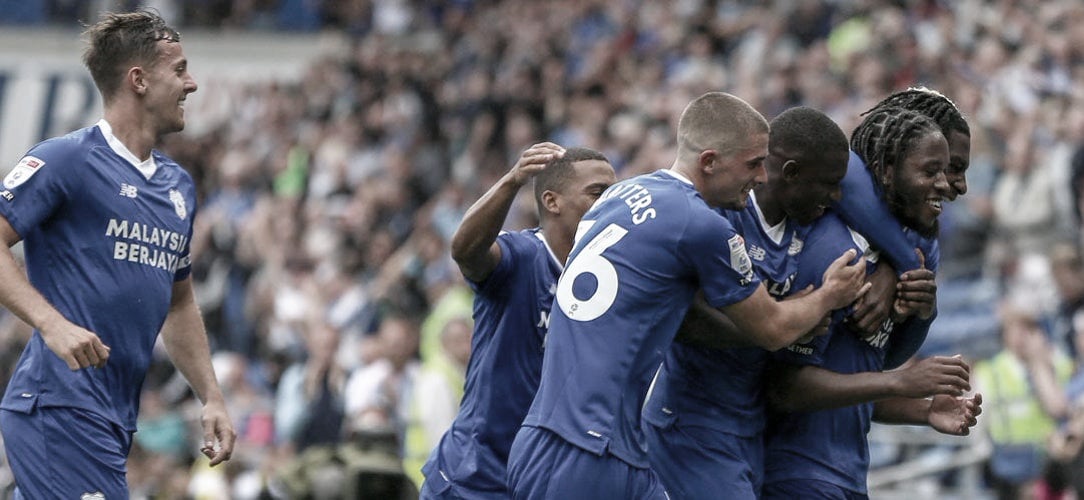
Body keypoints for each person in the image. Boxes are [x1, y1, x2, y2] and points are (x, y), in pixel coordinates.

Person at [506, 92, 869, 498]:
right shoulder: (700, 224)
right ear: (709, 161)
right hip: (588, 449)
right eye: (752, 164)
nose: (761, 177)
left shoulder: (619, 194)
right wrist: (829, 294)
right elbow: (772, 328)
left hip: (581, 440)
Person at [0, 10, 234, 498]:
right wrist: (51, 323)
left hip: (114, 417)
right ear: (139, 80)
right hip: (58, 405)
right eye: (180, 70)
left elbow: (179, 301)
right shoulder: (66, 159)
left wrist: (210, 396)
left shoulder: (178, 188)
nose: (191, 84)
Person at [762, 107, 982, 499]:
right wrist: (900, 382)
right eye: (933, 170)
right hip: (795, 473)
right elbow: (784, 386)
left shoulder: (906, 257)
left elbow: (850, 380)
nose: (949, 185)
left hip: (844, 476)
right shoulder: (836, 253)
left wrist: (923, 410)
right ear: (885, 169)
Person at [641, 106, 852, 500]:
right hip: (693, 422)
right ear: (790, 173)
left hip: (750, 424)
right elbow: (688, 320)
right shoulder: (721, 213)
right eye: (828, 184)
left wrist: (899, 269)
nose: (837, 196)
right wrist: (786, 324)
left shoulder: (806, 220)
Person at [420, 144, 617, 498]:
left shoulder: (611, 279)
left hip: (545, 482)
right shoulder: (524, 257)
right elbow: (466, 251)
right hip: (475, 478)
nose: (609, 203)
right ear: (552, 201)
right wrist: (511, 182)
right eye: (597, 193)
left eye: (614, 193)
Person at [835, 87, 972, 367]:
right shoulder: (831, 191)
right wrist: (904, 264)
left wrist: (924, 312)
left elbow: (888, 360)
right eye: (951, 166)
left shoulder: (926, 241)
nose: (960, 185)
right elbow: (847, 171)